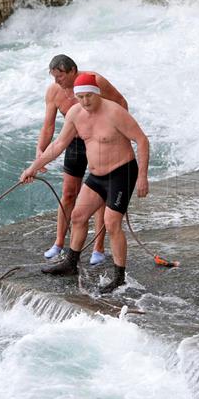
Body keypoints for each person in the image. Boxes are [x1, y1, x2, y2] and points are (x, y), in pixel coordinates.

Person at [21, 73, 149, 293]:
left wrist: (142, 176)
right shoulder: (75, 114)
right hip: (97, 175)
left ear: (97, 93)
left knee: (111, 223)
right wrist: (32, 167)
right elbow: (59, 144)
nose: (85, 101)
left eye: (89, 96)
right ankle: (71, 264)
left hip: (122, 172)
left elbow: (142, 140)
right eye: (80, 97)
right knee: (78, 216)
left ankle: (119, 277)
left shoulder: (114, 112)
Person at [37, 55, 129, 265]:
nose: (57, 82)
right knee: (69, 193)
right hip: (75, 142)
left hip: (100, 141)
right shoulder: (54, 92)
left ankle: (98, 247)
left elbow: (121, 103)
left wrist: (118, 137)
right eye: (54, 77)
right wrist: (40, 152)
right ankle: (59, 242)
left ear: (73, 71)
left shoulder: (95, 81)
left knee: (100, 195)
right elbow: (49, 126)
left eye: (60, 77)